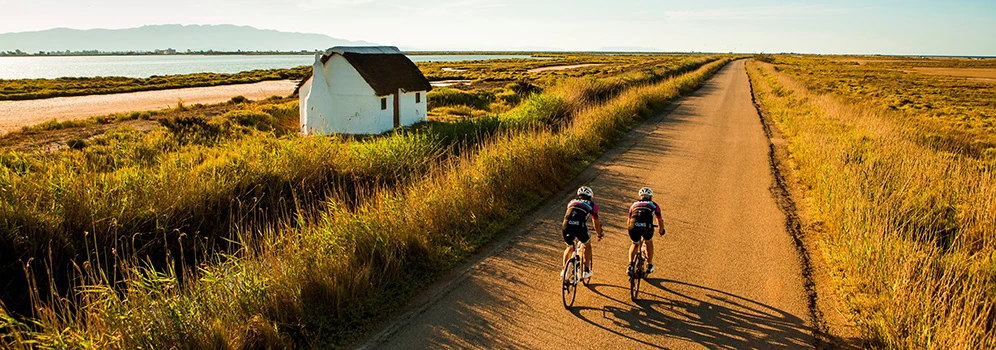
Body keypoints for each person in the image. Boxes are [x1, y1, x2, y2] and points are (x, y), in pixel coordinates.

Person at [562, 186, 603, 279]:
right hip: (580, 226)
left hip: (566, 225)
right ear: (590, 196)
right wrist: (599, 233)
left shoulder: (571, 202)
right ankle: (586, 271)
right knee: (587, 244)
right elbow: (596, 222)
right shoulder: (592, 205)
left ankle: (564, 271)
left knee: (570, 246)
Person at [627, 187, 665, 275]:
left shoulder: (633, 205)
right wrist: (661, 231)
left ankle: (630, 264)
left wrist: (630, 229)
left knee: (634, 243)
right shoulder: (654, 205)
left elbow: (628, 221)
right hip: (646, 226)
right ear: (650, 197)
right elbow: (659, 220)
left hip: (633, 226)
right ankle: (649, 265)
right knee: (648, 242)